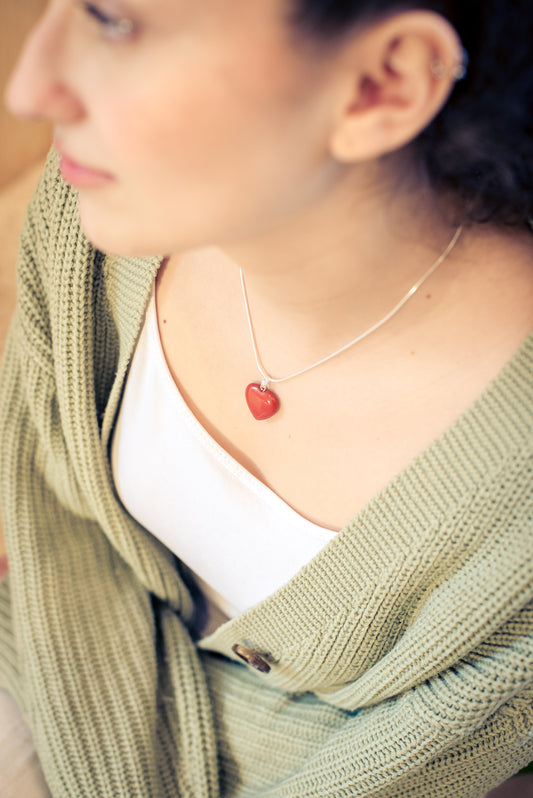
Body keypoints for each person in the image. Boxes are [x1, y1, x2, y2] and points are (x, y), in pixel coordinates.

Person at [0, 0, 532, 795]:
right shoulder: (100, 206)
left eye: (113, 21)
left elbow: (407, 761)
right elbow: (53, 547)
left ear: (379, 84)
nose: (31, 87)